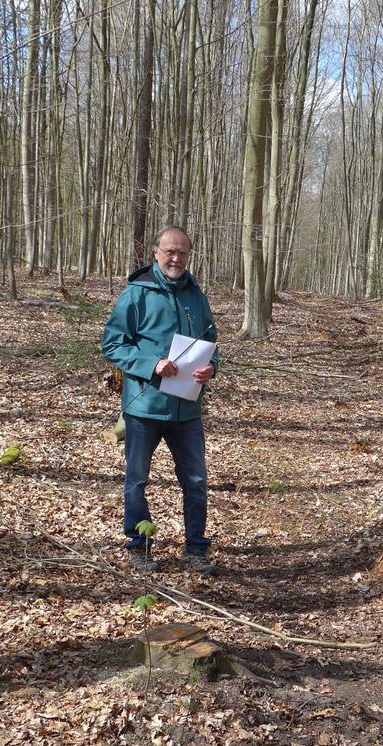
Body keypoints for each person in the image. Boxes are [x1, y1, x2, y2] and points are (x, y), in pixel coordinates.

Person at [102, 226, 218, 575]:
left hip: (187, 408)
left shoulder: (197, 295)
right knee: (137, 481)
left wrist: (211, 368)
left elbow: (212, 342)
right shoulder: (137, 293)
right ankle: (140, 547)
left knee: (196, 481)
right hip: (144, 406)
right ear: (156, 253)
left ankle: (196, 549)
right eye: (169, 251)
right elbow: (112, 344)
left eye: (182, 252)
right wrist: (152, 364)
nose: (175, 258)